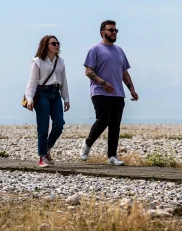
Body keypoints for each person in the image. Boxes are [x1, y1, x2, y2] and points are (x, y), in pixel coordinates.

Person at [79, 20, 139, 165]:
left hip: (118, 93)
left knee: (115, 124)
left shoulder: (119, 51)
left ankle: (112, 156)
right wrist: (103, 83)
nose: (114, 32)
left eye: (115, 30)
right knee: (103, 120)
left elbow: (124, 73)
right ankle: (86, 145)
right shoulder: (95, 49)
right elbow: (88, 71)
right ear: (102, 32)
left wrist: (132, 89)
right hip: (100, 91)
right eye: (111, 30)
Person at [24, 35, 70, 167]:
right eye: (53, 43)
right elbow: (32, 82)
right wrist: (29, 99)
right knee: (43, 127)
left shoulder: (60, 61)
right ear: (46, 45)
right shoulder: (37, 61)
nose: (57, 45)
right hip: (42, 93)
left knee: (59, 124)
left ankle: (47, 148)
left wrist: (66, 98)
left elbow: (64, 81)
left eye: (58, 43)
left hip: (55, 94)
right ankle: (42, 157)